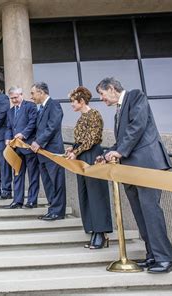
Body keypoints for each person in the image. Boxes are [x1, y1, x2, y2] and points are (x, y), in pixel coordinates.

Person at [96, 77, 172, 273]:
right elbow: (123, 138)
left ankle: (166, 259)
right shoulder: (118, 111)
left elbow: (137, 127)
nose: (102, 99)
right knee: (141, 214)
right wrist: (107, 154)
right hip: (130, 169)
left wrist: (120, 151)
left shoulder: (136, 96)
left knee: (151, 211)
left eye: (102, 93)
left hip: (146, 165)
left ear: (112, 88)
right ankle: (152, 255)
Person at [65, 86, 112, 249]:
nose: (71, 105)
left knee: (96, 194)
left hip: (93, 156)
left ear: (81, 101)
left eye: (73, 102)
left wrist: (76, 151)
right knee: (85, 194)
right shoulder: (80, 117)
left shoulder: (94, 115)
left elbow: (92, 139)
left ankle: (101, 233)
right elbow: (81, 139)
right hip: (82, 156)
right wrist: (73, 148)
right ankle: (93, 230)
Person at [30, 82, 66, 221]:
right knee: (48, 183)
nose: (32, 97)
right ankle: (52, 209)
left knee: (56, 182)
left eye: (33, 93)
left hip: (52, 152)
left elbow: (52, 127)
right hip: (42, 154)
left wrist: (38, 142)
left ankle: (58, 211)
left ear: (41, 92)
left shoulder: (54, 105)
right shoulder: (41, 108)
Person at [4, 87, 39, 209]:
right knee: (17, 175)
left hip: (28, 146)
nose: (14, 100)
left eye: (16, 97)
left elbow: (32, 123)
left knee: (33, 174)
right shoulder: (10, 111)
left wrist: (23, 134)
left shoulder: (30, 106)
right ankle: (17, 201)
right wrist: (7, 138)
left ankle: (31, 201)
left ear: (21, 95)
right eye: (12, 98)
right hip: (16, 149)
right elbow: (8, 127)